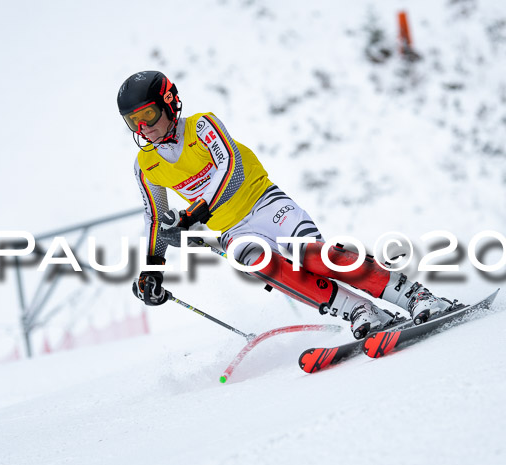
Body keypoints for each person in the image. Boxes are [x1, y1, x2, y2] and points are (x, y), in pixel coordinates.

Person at [117, 70, 455, 339]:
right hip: (233, 231)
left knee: (311, 255)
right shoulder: (145, 165)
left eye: (148, 114)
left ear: (169, 102)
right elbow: (156, 218)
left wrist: (199, 210)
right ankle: (360, 311)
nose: (144, 128)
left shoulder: (202, 125)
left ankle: (416, 296)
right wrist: (153, 269)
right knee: (268, 267)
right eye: (134, 122)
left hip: (264, 203)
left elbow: (231, 168)